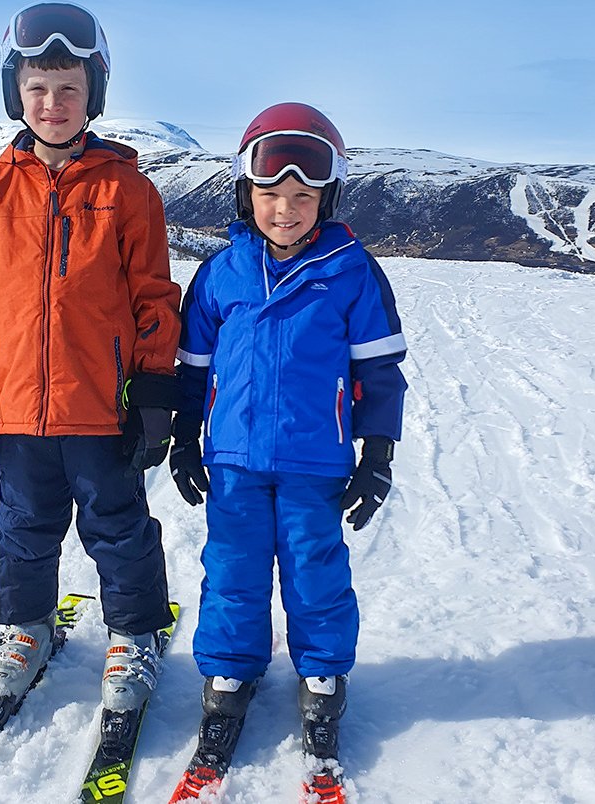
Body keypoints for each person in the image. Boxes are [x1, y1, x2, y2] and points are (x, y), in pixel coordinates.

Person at [0, 1, 181, 722]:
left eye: (68, 88)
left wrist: (155, 394)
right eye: (38, 88)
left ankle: (135, 632)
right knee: (22, 525)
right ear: (16, 92)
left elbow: (153, 300)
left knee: (119, 526)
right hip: (16, 408)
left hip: (101, 406)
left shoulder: (128, 191)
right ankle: (26, 626)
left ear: (92, 94)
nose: (52, 103)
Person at [168, 102, 407, 764]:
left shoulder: (352, 272)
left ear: (326, 198)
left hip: (315, 460)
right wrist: (185, 438)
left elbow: (380, 371)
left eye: (302, 196)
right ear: (247, 195)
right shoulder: (222, 274)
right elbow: (193, 368)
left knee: (315, 569)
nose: (285, 209)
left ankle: (322, 674)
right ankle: (229, 671)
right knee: (233, 568)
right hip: (236, 460)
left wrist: (378, 453)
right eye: (271, 193)